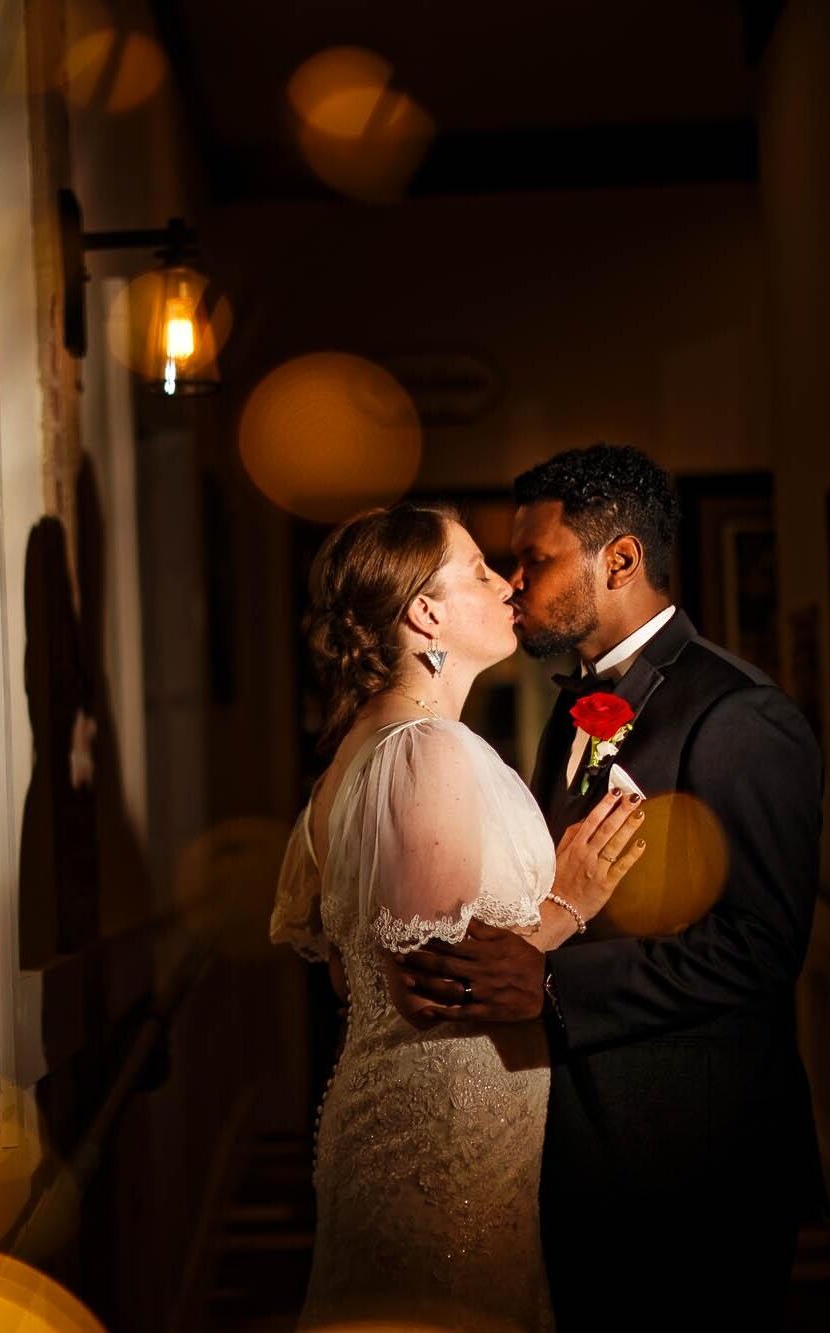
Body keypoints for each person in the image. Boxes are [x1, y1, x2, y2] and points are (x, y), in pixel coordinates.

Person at [397, 444, 826, 1332]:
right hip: (582, 1148)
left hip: (699, 1160)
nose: (516, 583)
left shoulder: (739, 714)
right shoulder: (570, 708)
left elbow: (759, 947)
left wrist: (550, 984)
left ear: (620, 559)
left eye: (535, 558)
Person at [270, 501, 647, 1331]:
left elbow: (352, 977)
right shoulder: (425, 749)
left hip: (448, 1128)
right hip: (438, 1145)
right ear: (425, 613)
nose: (507, 583)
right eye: (478, 570)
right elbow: (433, 989)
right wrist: (570, 900)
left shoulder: (363, 753)